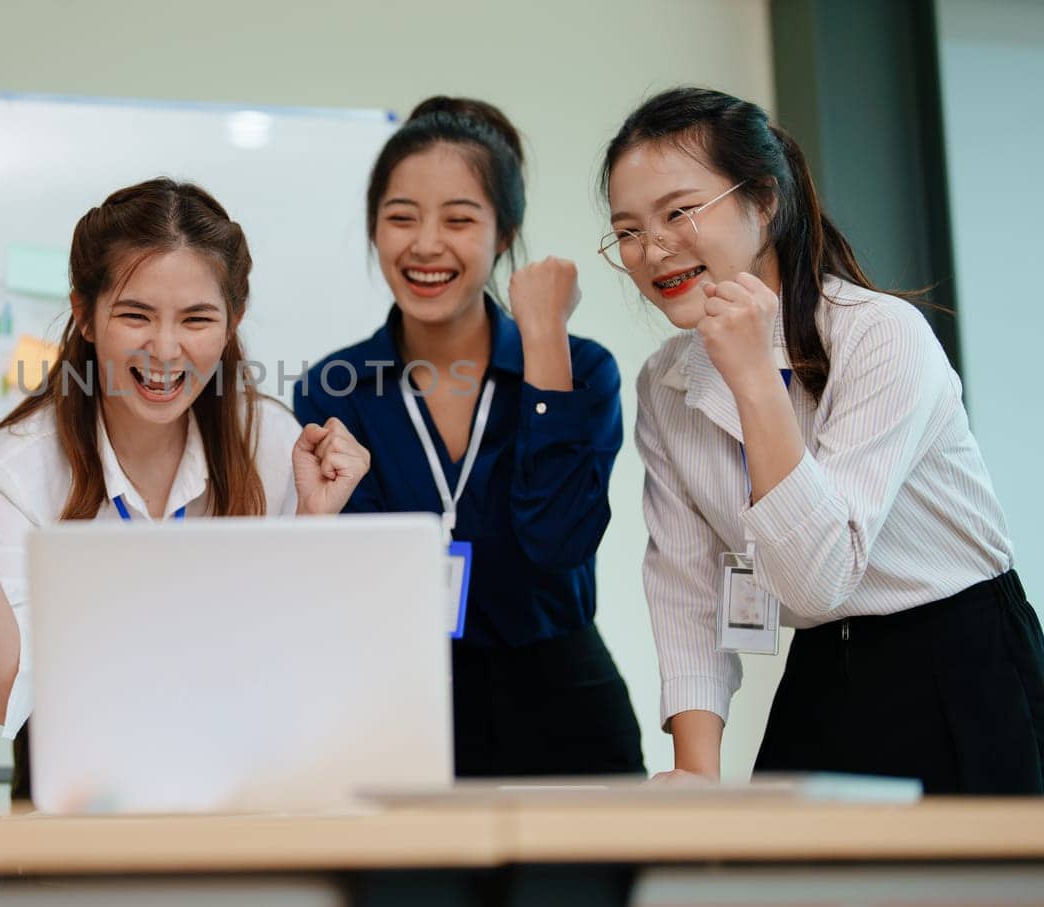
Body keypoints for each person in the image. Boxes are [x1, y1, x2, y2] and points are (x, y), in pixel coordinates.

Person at [604, 85, 1044, 792]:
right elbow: (685, 583)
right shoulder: (665, 383)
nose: (653, 248)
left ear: (765, 201)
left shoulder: (880, 334)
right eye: (627, 229)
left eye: (679, 212)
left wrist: (752, 378)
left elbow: (817, 576)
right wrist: (695, 772)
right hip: (823, 663)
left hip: (961, 659)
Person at [0, 177, 371, 797]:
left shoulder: (273, 446)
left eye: (197, 319)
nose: (166, 349)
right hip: (77, 810)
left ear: (233, 323)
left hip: (246, 797)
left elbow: (304, 673)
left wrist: (314, 525)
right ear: (85, 316)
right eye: (135, 315)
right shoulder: (13, 469)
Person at [295, 96, 643, 778]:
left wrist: (543, 340)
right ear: (374, 230)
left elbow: (557, 541)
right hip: (398, 716)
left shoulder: (583, 369)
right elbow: (348, 583)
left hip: (565, 715)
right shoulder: (332, 388)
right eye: (401, 217)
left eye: (459, 218)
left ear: (505, 231)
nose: (425, 244)